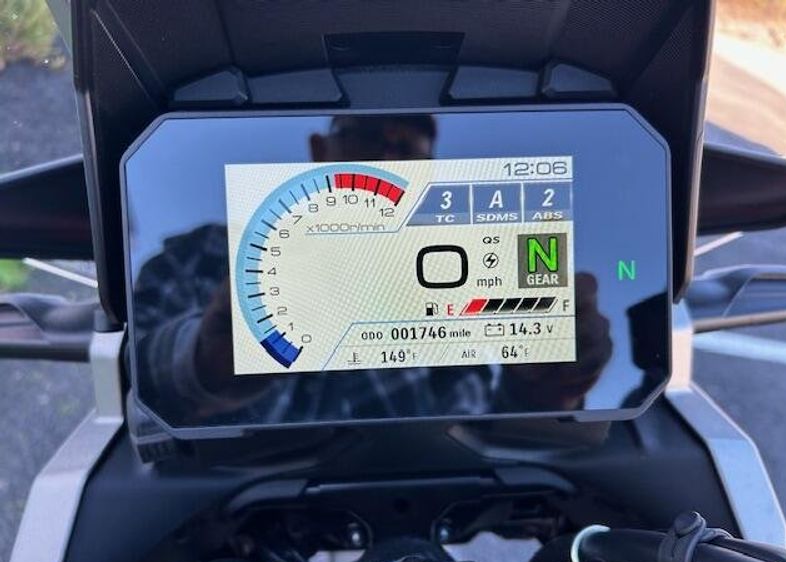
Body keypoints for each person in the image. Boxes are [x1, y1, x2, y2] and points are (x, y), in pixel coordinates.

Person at [134, 116, 611, 427]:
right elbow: (130, 379)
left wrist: (545, 388)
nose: (386, 161)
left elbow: (486, 430)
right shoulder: (206, 254)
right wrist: (204, 361)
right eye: (365, 136)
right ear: (319, 149)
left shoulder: (458, 290)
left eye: (411, 154)